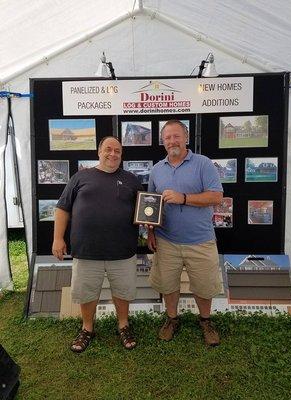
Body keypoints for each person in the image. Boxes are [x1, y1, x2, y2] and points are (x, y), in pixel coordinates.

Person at [52, 136, 143, 352]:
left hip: (122, 251)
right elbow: (62, 208)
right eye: (108, 149)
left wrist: (150, 228)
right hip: (86, 250)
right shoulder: (80, 177)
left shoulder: (132, 180)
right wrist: (58, 238)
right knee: (86, 292)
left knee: (123, 291)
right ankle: (87, 328)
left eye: (117, 151)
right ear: (98, 152)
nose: (113, 154)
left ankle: (123, 325)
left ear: (121, 155)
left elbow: (145, 211)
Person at [147, 120, 223, 346]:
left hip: (200, 240)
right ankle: (172, 319)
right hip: (166, 240)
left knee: (203, 285)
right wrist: (150, 232)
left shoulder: (203, 163)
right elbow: (150, 206)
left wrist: (184, 198)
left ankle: (206, 321)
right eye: (168, 137)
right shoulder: (157, 169)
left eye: (176, 136)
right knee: (168, 284)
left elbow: (217, 197)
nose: (172, 141)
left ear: (186, 138)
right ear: (163, 142)